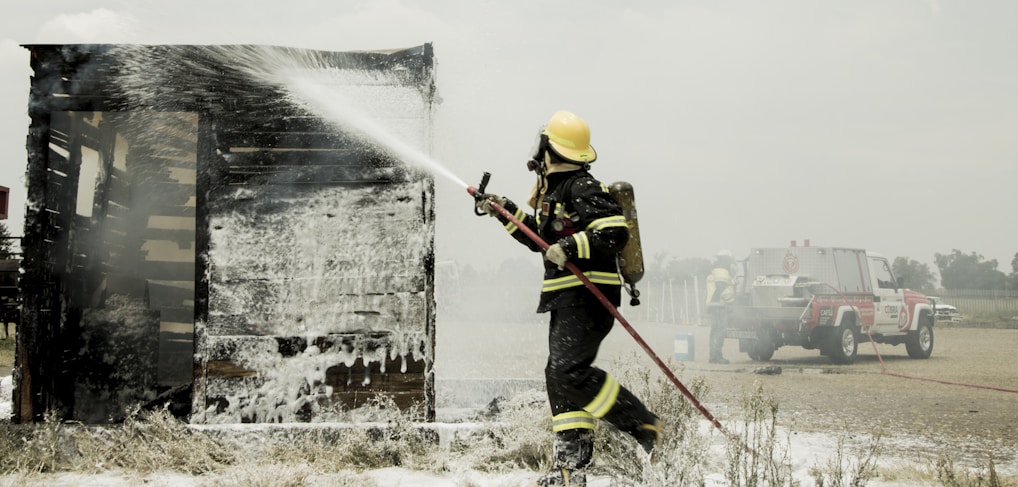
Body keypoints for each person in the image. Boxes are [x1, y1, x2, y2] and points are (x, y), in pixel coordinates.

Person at [476, 110, 661, 487]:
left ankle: (645, 425)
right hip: (567, 299)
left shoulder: (580, 186)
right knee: (559, 377)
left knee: (569, 373)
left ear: (549, 149)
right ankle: (570, 469)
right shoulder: (554, 193)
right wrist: (501, 209)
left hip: (588, 296)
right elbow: (537, 239)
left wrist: (570, 246)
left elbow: (614, 231)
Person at [704, 250, 736, 364]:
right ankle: (717, 356)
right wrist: (731, 300)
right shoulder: (722, 272)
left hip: (714, 305)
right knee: (720, 331)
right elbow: (722, 289)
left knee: (714, 331)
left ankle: (713, 356)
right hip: (720, 305)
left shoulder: (714, 271)